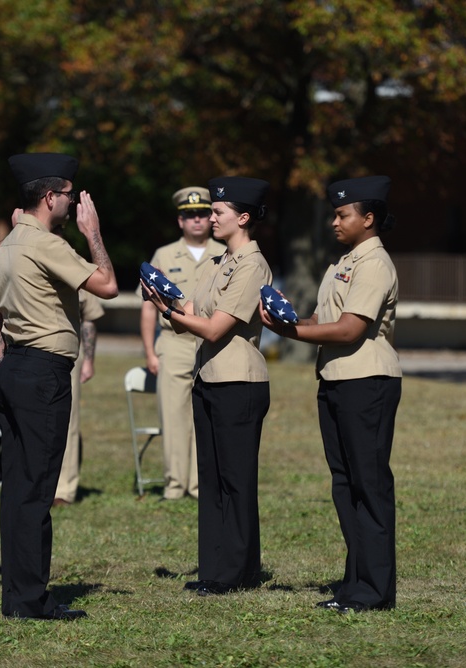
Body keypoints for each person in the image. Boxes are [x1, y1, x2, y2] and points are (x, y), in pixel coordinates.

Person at [0, 152, 117, 621]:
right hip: (43, 373)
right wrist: (93, 232)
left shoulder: (10, 244)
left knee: (18, 489)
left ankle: (17, 596)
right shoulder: (45, 242)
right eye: (69, 194)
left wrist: (5, 369)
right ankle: (32, 600)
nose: (73, 202)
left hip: (14, 368)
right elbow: (106, 284)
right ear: (49, 197)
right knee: (37, 490)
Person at [260, 175, 402, 613]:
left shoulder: (374, 263)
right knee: (345, 485)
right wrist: (287, 317)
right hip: (337, 379)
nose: (334, 221)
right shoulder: (343, 261)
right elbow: (323, 317)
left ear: (369, 218)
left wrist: (287, 331)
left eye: (343, 214)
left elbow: (349, 328)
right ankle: (355, 583)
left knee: (369, 485)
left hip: (366, 381)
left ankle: (375, 591)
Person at [142, 176, 272, 596]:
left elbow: (216, 328)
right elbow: (192, 307)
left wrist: (171, 313)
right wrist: (164, 299)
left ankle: (236, 571)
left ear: (244, 217)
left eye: (218, 211)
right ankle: (217, 568)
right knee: (213, 479)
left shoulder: (252, 263)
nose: (211, 217)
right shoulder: (220, 263)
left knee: (235, 479)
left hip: (238, 380)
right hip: (210, 378)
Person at [139, 187, 225, 501]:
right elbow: (150, 307)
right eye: (190, 215)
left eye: (203, 213)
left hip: (210, 341)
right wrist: (150, 350)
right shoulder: (163, 255)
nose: (197, 220)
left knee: (206, 415)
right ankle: (175, 485)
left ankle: (201, 484)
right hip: (174, 344)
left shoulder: (224, 252)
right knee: (173, 416)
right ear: (180, 220)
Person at [54, 291, 104, 506]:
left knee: (68, 420)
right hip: (25, 349)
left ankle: (63, 490)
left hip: (68, 352)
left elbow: (89, 319)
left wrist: (89, 360)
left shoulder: (77, 267)